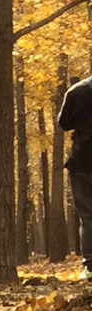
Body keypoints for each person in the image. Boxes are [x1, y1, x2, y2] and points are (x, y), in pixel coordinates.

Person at [61, 71, 92, 276]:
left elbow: (64, 123)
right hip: (81, 163)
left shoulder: (77, 91)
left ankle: (90, 266)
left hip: (82, 161)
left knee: (88, 217)